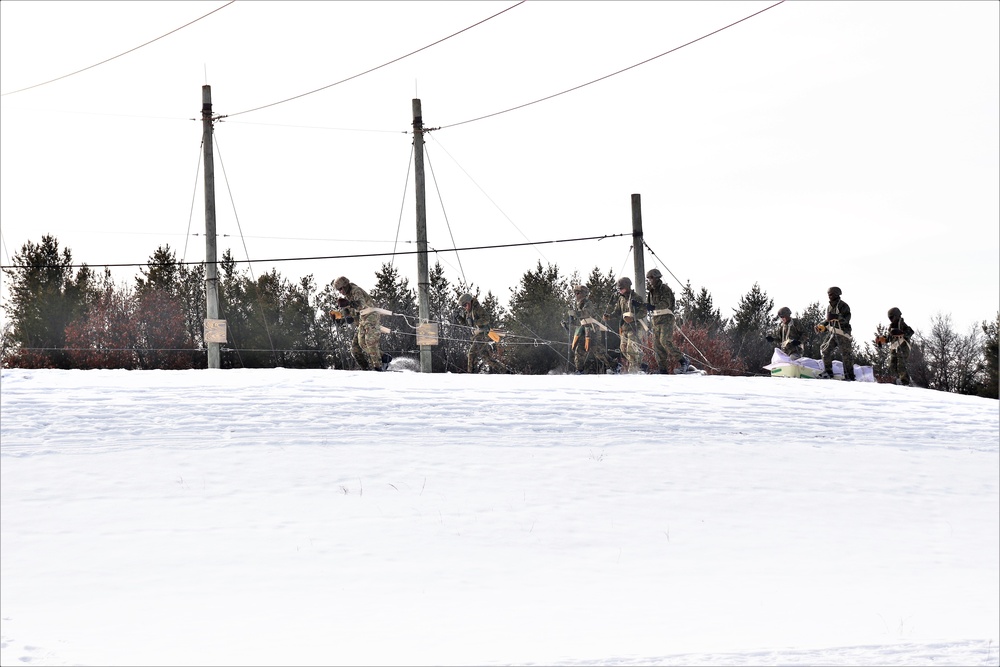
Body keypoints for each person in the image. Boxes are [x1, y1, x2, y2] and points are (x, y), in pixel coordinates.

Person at [333, 275, 386, 371]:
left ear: (345, 286)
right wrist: (339, 318)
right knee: (361, 344)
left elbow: (361, 305)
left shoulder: (355, 291)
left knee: (370, 341)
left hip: (371, 315)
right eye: (338, 290)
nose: (340, 291)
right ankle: (375, 363)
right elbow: (348, 313)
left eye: (341, 289)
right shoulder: (348, 295)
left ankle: (378, 367)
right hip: (362, 319)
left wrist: (348, 304)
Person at [644, 268, 689, 373]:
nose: (649, 280)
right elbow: (649, 306)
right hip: (656, 320)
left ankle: (683, 361)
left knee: (665, 342)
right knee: (657, 345)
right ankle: (663, 370)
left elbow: (666, 303)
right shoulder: (651, 292)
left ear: (657, 278)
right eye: (648, 278)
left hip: (666, 319)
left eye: (651, 278)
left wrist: (653, 307)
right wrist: (640, 306)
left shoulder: (664, 289)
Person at [603, 276, 646, 373]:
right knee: (623, 349)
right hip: (624, 327)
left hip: (635, 327)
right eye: (618, 289)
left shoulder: (636, 298)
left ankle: (634, 369)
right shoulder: (621, 299)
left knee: (631, 348)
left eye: (621, 288)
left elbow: (643, 312)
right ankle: (640, 365)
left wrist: (633, 318)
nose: (620, 291)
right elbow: (617, 312)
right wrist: (609, 316)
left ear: (627, 287)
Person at [569, 284, 612, 374]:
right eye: (575, 293)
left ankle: (614, 366)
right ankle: (579, 370)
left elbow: (586, 314)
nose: (576, 295)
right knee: (579, 349)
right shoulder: (578, 304)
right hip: (583, 330)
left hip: (592, 330)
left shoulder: (588, 304)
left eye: (578, 293)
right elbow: (580, 321)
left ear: (584, 294)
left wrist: (575, 313)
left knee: (597, 350)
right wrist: (570, 322)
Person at [458, 293, 504, 373]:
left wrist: (475, 322)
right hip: (476, 336)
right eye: (463, 306)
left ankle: (470, 374)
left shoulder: (477, 309)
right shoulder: (468, 312)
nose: (464, 307)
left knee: (472, 353)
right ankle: (505, 371)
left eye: (465, 305)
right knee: (486, 358)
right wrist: (458, 318)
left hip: (483, 335)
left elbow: (486, 319)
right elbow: (466, 324)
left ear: (469, 302)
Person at [817, 286, 855, 381]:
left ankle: (849, 376)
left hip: (843, 334)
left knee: (846, 354)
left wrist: (837, 317)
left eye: (832, 294)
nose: (830, 296)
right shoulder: (829, 307)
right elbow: (828, 320)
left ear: (838, 294)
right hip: (832, 333)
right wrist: (821, 325)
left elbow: (846, 320)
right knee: (824, 349)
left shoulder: (843, 306)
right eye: (829, 294)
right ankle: (828, 372)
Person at [877, 307, 915, 386]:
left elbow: (911, 332)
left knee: (901, 365)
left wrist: (902, 333)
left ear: (897, 316)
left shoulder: (902, 324)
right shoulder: (891, 327)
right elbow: (889, 338)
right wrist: (881, 340)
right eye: (890, 318)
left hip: (903, 347)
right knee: (892, 365)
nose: (891, 319)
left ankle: (905, 382)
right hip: (894, 348)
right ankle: (895, 381)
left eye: (892, 317)